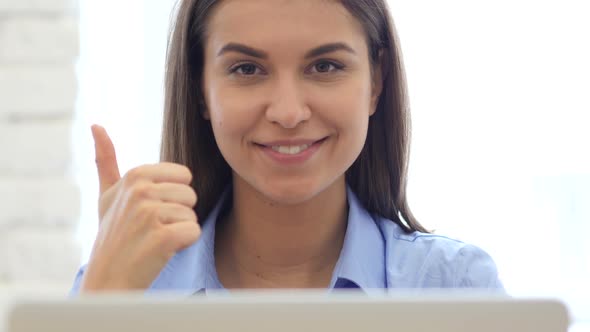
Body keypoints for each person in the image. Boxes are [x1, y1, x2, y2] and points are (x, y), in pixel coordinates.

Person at [72, 0, 503, 293]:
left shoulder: (453, 284)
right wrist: (103, 303)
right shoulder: (124, 284)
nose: (288, 111)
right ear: (201, 90)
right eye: (246, 68)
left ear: (377, 82)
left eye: (325, 66)